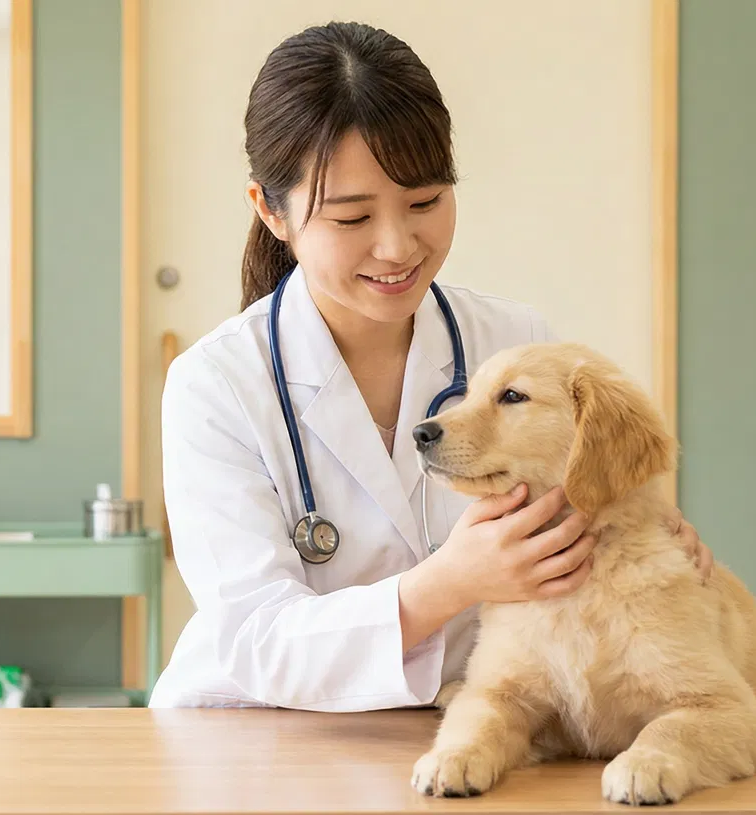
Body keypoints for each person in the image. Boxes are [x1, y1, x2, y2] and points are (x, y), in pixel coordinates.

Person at [149, 21, 710, 712]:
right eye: (352, 218)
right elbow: (259, 639)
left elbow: (583, 521)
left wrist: (644, 534)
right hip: (257, 728)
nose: (397, 246)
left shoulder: (512, 341)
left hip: (465, 720)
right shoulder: (217, 385)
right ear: (272, 210)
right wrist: (448, 583)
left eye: (424, 202)